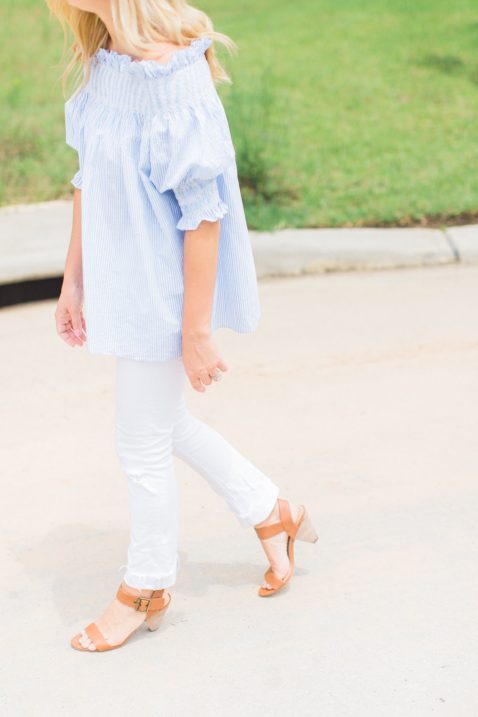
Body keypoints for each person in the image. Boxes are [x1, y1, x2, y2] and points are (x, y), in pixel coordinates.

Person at [48, 0, 318, 653]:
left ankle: (146, 586)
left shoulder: (172, 76)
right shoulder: (105, 58)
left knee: (140, 442)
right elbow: (89, 174)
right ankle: (270, 509)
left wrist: (195, 329)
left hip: (161, 292)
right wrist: (74, 277)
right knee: (162, 426)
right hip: (122, 280)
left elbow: (204, 212)